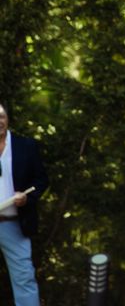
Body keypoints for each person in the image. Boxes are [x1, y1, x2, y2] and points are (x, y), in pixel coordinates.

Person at [0, 101, 49, 306]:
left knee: (24, 279)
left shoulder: (25, 146)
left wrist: (28, 198)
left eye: (1, 116)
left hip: (14, 223)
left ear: (8, 118)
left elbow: (41, 180)